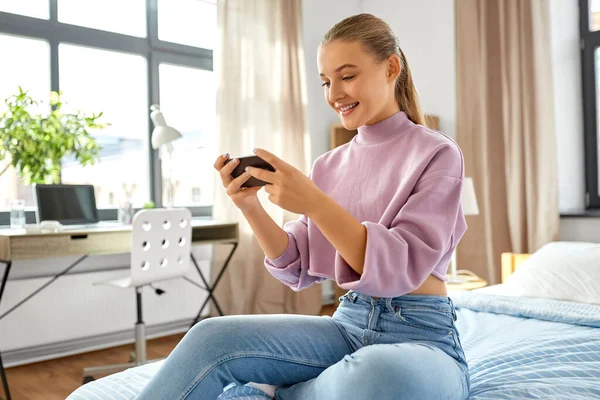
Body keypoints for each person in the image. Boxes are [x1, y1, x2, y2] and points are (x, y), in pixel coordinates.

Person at [137, 13, 469, 400]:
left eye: (347, 76)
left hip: (421, 334)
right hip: (347, 323)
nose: (334, 94)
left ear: (391, 67)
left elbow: (400, 269)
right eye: (327, 82)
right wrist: (250, 207)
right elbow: (297, 262)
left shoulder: (438, 153)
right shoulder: (329, 165)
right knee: (212, 336)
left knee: (380, 375)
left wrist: (314, 201)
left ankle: (283, 392)